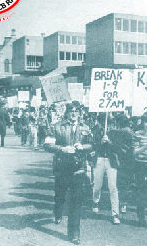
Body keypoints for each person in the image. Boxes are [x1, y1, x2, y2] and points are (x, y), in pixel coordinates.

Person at [44, 103, 93, 245]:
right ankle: (58, 211)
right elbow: (47, 145)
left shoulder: (85, 127)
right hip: (62, 168)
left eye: (76, 111)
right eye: (71, 111)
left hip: (79, 169)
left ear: (79, 113)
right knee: (60, 195)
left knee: (76, 201)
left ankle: (74, 232)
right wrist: (62, 149)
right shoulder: (56, 126)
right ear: (67, 112)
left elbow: (91, 144)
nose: (73, 113)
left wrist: (82, 147)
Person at [91, 114, 121, 225]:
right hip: (99, 159)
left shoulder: (115, 133)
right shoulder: (96, 132)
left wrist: (109, 142)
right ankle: (95, 201)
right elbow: (93, 146)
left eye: (108, 122)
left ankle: (115, 213)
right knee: (97, 185)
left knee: (113, 187)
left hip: (111, 161)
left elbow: (118, 148)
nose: (106, 125)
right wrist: (100, 142)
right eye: (103, 122)